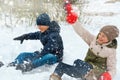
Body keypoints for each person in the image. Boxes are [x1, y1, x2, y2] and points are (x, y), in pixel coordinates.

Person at [49, 20, 119, 80]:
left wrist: (108, 75)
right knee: (67, 65)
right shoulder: (93, 41)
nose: (100, 37)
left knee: (84, 66)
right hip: (84, 69)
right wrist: (74, 21)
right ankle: (55, 76)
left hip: (96, 73)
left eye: (103, 36)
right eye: (100, 34)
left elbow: (112, 68)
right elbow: (82, 32)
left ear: (109, 39)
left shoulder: (111, 51)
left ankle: (90, 77)